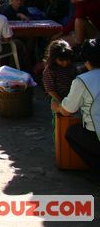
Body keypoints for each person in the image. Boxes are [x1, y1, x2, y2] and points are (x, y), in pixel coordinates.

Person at [51, 38, 100, 170]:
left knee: (72, 133)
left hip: (96, 137)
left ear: (87, 61)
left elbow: (67, 110)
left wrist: (57, 107)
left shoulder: (82, 80)